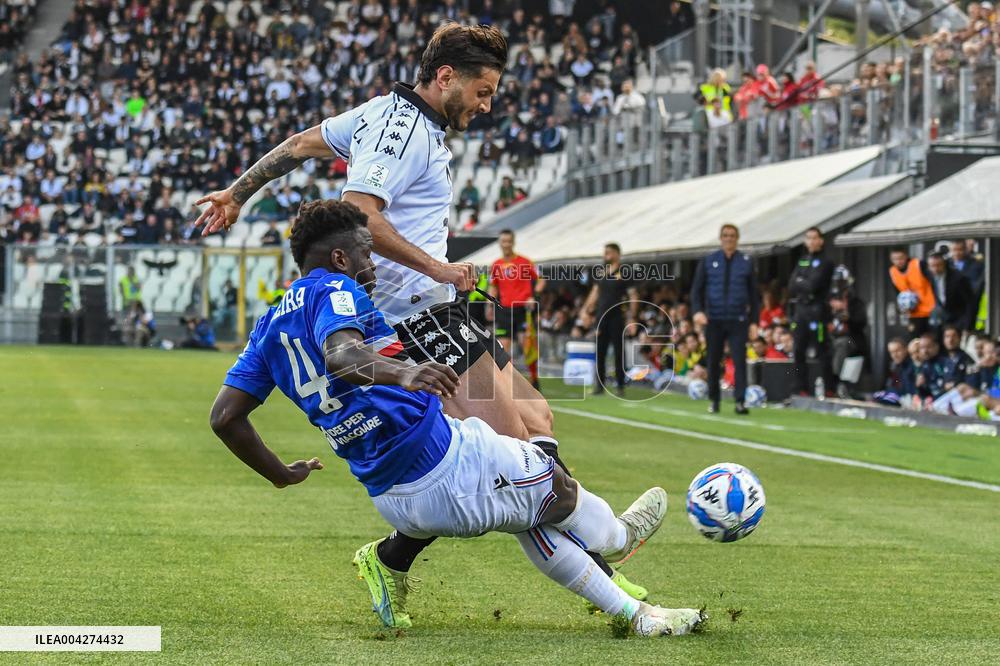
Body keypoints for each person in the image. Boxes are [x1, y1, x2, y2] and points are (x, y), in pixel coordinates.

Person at [194, 22, 646, 623]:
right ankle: (603, 572)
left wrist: (238, 191)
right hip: (417, 315)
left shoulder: (386, 112)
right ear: (444, 78)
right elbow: (360, 214)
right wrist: (437, 265)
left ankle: (403, 558)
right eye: (482, 92)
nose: (487, 106)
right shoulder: (399, 130)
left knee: (536, 419)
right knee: (518, 453)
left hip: (441, 309)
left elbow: (301, 144)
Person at [208, 200, 705, 637]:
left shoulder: (269, 323)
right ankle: (621, 550)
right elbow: (342, 356)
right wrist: (407, 372)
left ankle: (628, 600)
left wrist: (281, 474)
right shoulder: (340, 291)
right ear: (340, 258)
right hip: (441, 465)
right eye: (365, 250)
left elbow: (225, 417)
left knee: (525, 492)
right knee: (554, 487)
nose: (372, 261)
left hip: (389, 494)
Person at [690, 224, 758, 414]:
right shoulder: (709, 261)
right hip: (714, 319)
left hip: (738, 319)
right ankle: (714, 400)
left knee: (739, 360)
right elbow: (696, 290)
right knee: (713, 361)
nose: (729, 239)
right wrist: (697, 311)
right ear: (720, 239)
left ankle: (740, 401)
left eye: (732, 236)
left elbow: (754, 296)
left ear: (737, 239)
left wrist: (754, 321)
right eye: (725, 236)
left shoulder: (745, 262)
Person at [489, 229, 546, 390]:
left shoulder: (525, 262)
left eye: (508, 241)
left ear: (513, 242)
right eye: (503, 241)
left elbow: (541, 281)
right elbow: (493, 286)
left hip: (523, 310)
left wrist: (533, 296)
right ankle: (508, 383)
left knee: (527, 345)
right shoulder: (496, 265)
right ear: (500, 243)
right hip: (504, 311)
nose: (505, 244)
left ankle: (535, 380)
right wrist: (490, 304)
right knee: (504, 349)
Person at [582, 243, 638, 396]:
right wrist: (586, 310)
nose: (606, 255)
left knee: (619, 352)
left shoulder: (625, 271)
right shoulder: (600, 271)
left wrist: (632, 317)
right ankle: (599, 385)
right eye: (605, 252)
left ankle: (620, 385)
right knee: (600, 351)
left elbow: (633, 295)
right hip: (601, 317)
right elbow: (595, 292)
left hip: (617, 316)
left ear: (617, 254)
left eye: (609, 252)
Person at [788, 227, 834, 397]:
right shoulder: (803, 260)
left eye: (815, 238)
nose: (812, 241)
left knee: (821, 349)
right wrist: (802, 283)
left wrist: (803, 282)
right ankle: (800, 388)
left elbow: (814, 285)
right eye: (809, 238)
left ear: (821, 240)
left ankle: (829, 388)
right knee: (798, 349)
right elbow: (792, 284)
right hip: (801, 310)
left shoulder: (826, 261)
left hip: (818, 311)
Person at [888, 248, 935, 336]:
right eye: (895, 259)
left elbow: (934, 283)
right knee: (915, 341)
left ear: (906, 256)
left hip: (930, 311)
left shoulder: (918, 264)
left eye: (901, 258)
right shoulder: (892, 272)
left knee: (931, 339)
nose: (899, 261)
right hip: (913, 314)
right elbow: (897, 292)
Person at [926, 251, 975, 334]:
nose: (935, 269)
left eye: (938, 265)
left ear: (944, 264)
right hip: (944, 320)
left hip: (959, 321)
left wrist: (967, 325)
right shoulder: (930, 276)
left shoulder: (958, 278)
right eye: (932, 266)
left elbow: (970, 303)